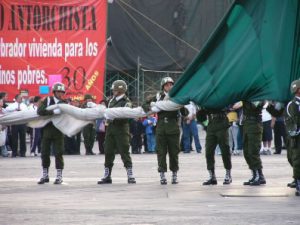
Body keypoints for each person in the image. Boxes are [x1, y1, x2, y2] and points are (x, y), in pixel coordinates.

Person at [143, 77, 187, 185]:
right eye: (167, 85)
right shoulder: (158, 97)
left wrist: (181, 104)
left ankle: (174, 174)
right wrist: (152, 106)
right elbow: (144, 104)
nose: (169, 87)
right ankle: (162, 174)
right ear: (163, 87)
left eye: (171, 85)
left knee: (174, 152)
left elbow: (185, 113)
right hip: (161, 127)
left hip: (173, 127)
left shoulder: (176, 96)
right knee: (161, 152)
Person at [98, 80, 136, 184]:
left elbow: (126, 116)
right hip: (110, 129)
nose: (113, 91)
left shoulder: (126, 102)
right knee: (108, 151)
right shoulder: (111, 101)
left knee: (124, 151)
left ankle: (130, 174)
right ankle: (107, 175)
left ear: (120, 90)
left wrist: (113, 118)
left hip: (121, 129)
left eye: (115, 89)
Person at [37, 82, 67, 185]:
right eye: (58, 91)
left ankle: (59, 176)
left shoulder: (64, 103)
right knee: (44, 153)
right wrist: (53, 112)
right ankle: (45, 175)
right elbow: (40, 111)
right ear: (54, 91)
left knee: (58, 153)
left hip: (58, 130)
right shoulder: (47, 100)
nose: (60, 93)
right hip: (47, 129)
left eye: (61, 92)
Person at [199, 107, 232, 185]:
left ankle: (228, 174)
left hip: (222, 123)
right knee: (208, 152)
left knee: (225, 151)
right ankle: (212, 176)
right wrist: (206, 125)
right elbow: (200, 113)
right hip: (211, 124)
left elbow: (230, 105)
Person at [242, 101, 266, 186]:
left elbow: (254, 106)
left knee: (253, 152)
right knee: (246, 152)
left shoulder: (258, 96)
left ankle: (259, 176)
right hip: (247, 124)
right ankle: (255, 174)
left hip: (255, 125)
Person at [284, 79, 300, 196]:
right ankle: (298, 182)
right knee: (296, 159)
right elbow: (297, 120)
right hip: (296, 137)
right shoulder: (293, 104)